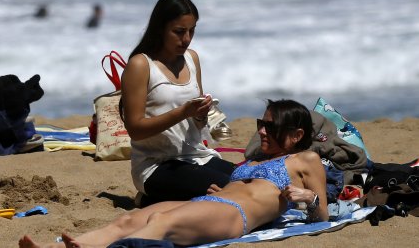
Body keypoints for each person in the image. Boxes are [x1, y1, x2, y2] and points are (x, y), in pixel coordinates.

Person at [19, 99, 329, 248]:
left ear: (297, 134)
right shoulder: (255, 160)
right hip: (208, 204)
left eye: (270, 127)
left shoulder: (306, 161)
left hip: (236, 216)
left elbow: (324, 217)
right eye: (261, 124)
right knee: (127, 220)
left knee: (161, 221)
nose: (261, 131)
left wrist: (309, 198)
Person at [122, 0, 233, 205]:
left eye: (192, 31)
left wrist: (201, 114)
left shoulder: (191, 59)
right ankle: (151, 197)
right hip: (156, 164)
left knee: (250, 181)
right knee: (229, 189)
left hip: (196, 156)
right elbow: (135, 129)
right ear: (160, 28)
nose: (187, 39)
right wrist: (182, 112)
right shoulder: (141, 65)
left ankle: (162, 198)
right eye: (179, 32)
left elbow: (198, 123)